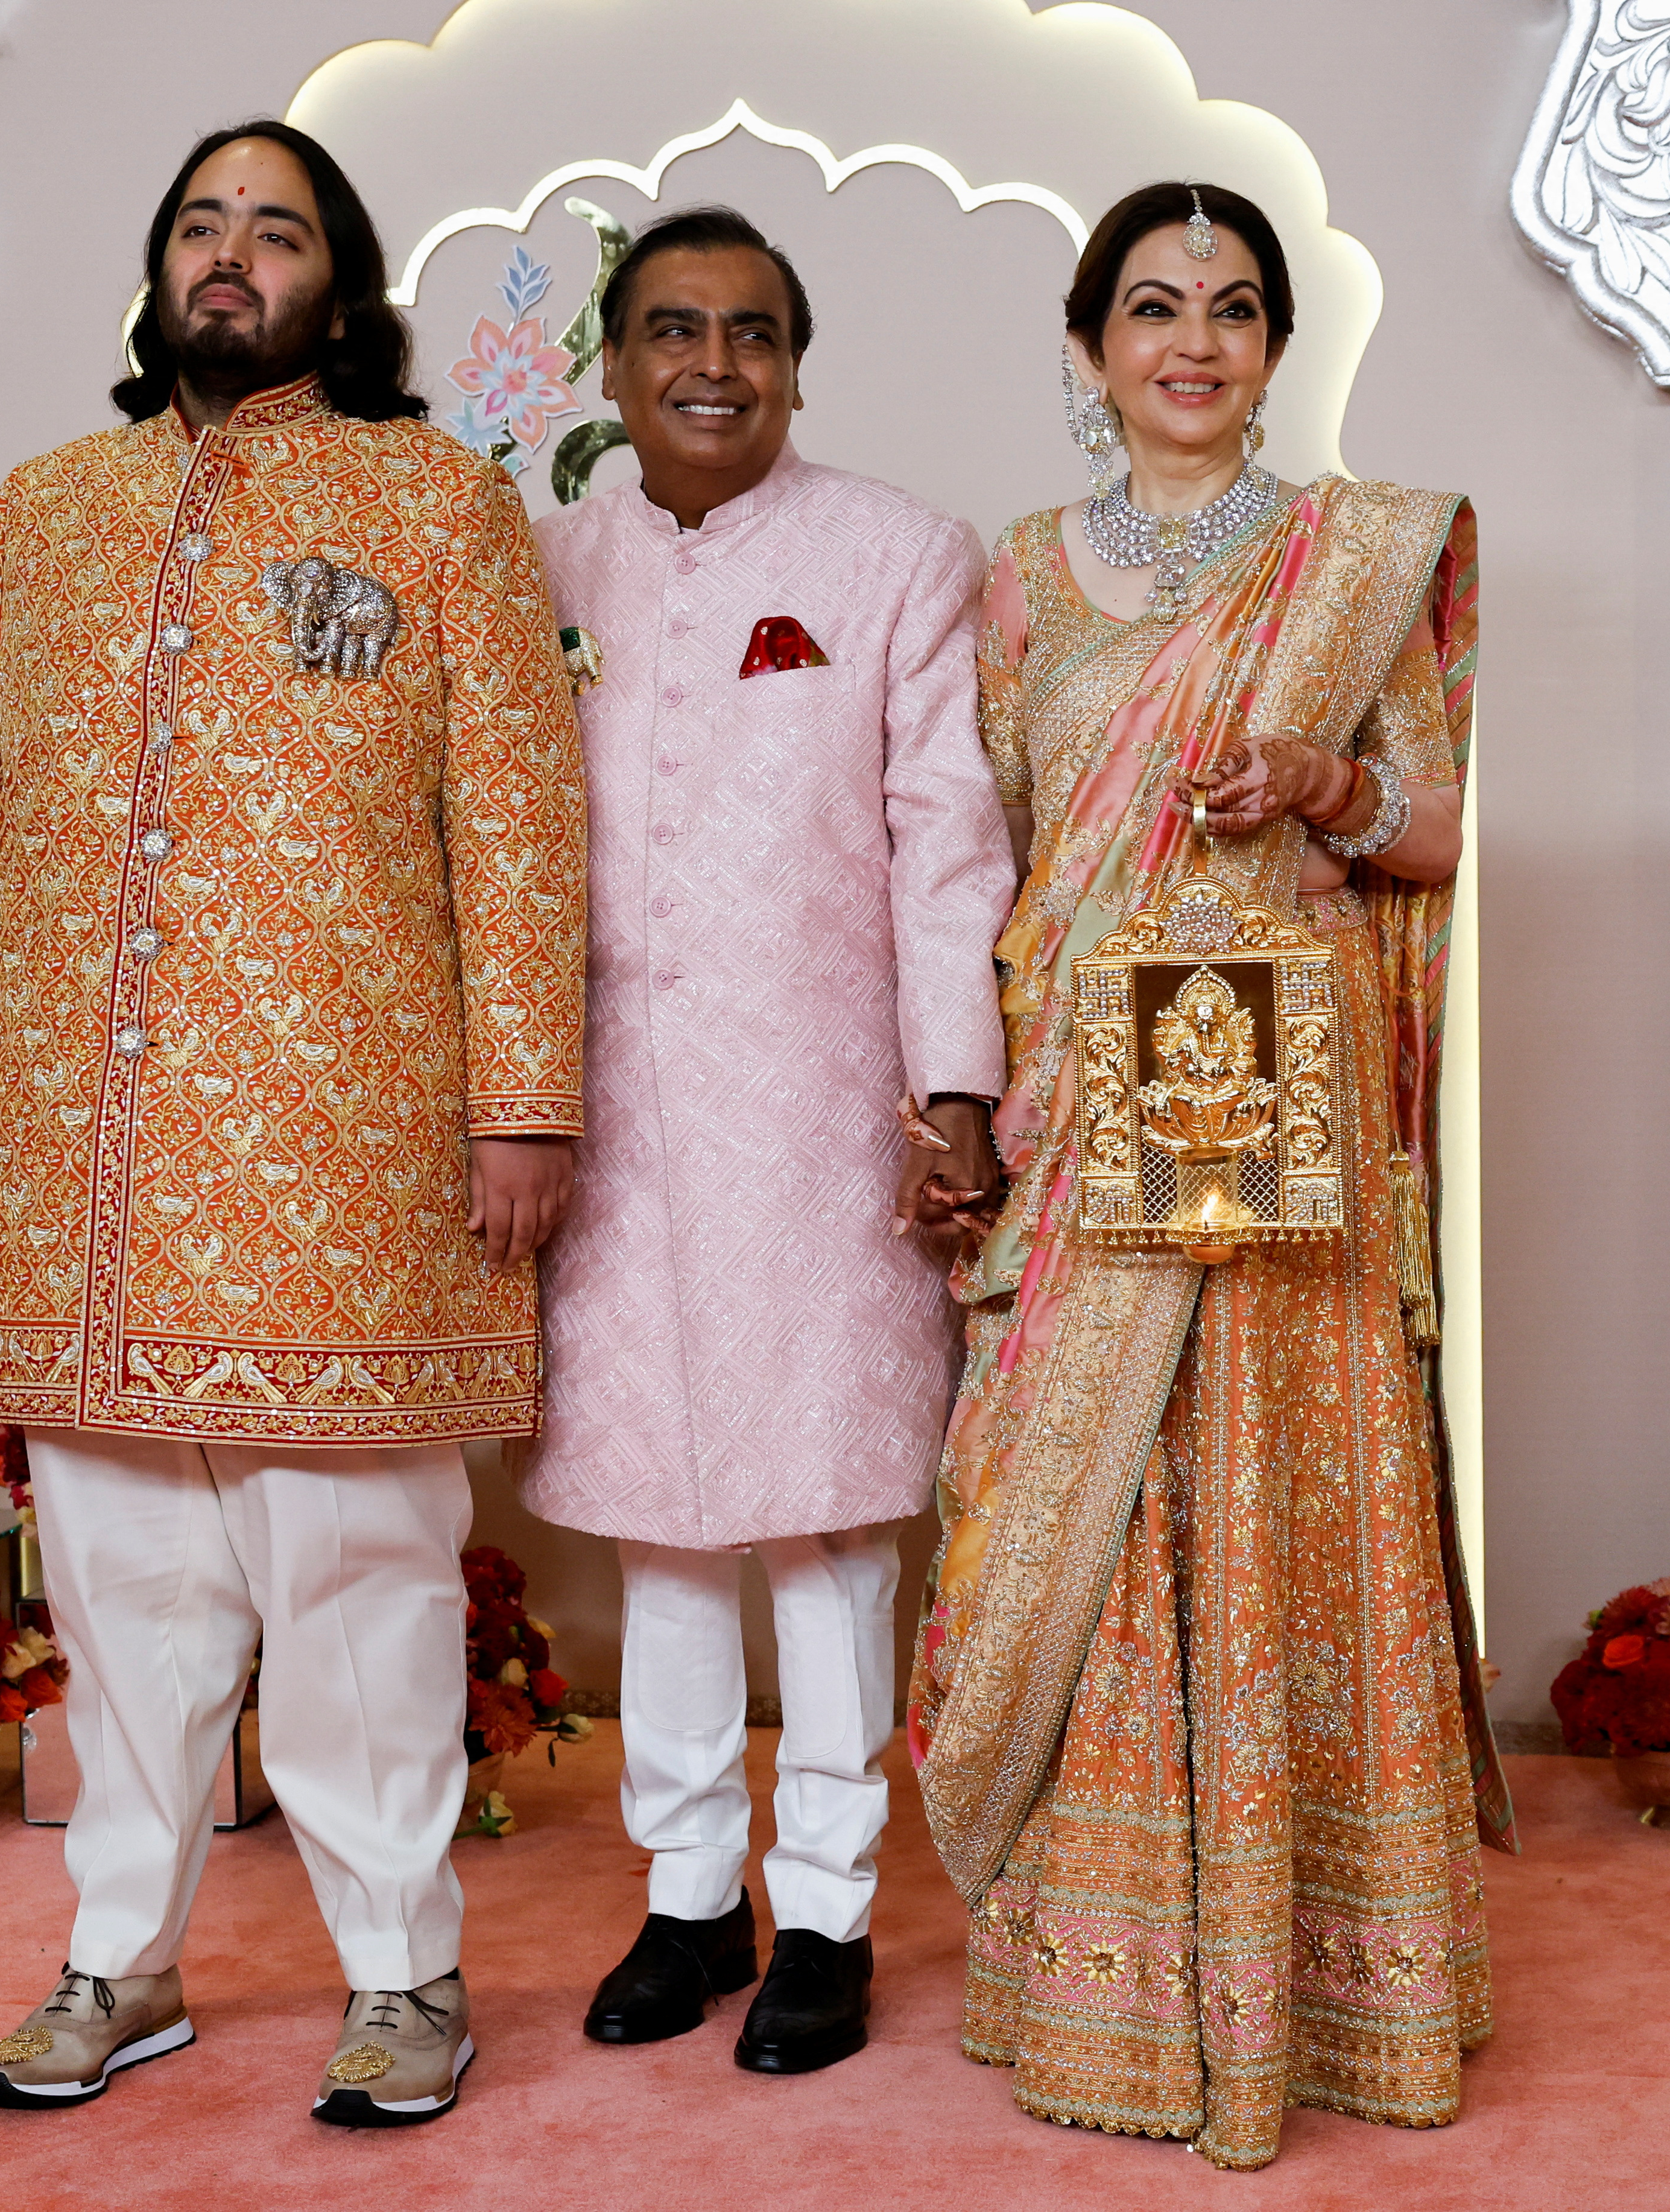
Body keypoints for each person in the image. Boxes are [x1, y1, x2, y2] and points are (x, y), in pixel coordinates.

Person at [0, 120, 586, 2129]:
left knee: (353, 1583)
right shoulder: (53, 508)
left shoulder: (435, 505)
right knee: (121, 1590)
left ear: (339, 285)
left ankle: (404, 1976)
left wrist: (526, 1102)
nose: (232, 259)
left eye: (276, 230)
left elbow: (516, 826)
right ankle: (121, 1960)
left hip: (346, 1152)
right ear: (159, 271)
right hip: (88, 1156)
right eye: (200, 226)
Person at [903, 182, 1514, 2172]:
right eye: (1151, 308)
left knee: (1260, 1489)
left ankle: (1313, 1971)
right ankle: (1097, 1965)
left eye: (1233, 309)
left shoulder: (1354, 556)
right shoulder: (1015, 578)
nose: (1195, 341)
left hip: (1269, 1075)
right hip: (1089, 1086)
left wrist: (1335, 784)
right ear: (1087, 349)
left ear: (1273, 346)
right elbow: (977, 851)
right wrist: (969, 1098)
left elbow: (1428, 835)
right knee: (1084, 1491)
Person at [520, 206, 1014, 2076]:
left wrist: (950, 1090)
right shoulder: (544, 563)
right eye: (670, 329)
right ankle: (683, 1899)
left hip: (826, 1106)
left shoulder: (895, 554)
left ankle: (825, 1912)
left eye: (749, 331)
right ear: (615, 364)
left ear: (796, 363)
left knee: (819, 1526)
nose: (710, 363)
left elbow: (945, 836)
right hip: (612, 1124)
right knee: (657, 1530)